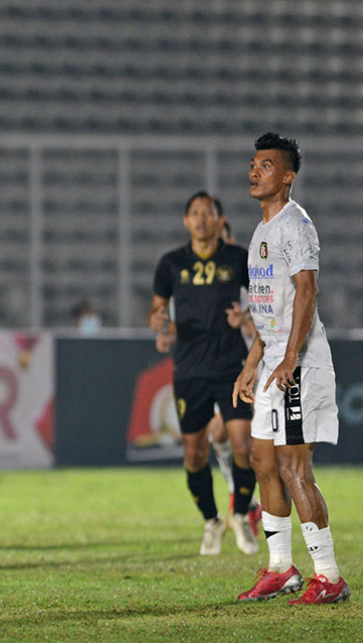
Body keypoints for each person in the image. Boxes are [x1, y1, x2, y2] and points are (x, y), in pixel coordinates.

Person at [234, 133, 350, 604]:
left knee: (294, 467)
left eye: (267, 164)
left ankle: (330, 576)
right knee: (262, 461)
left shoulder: (295, 225)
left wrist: (288, 357)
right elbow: (269, 310)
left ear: (288, 176)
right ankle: (281, 568)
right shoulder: (261, 232)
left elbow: (307, 292)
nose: (255, 170)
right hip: (274, 362)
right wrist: (252, 361)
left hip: (298, 363)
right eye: (254, 163)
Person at [149, 190, 258, 556]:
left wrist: (246, 317)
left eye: (207, 213)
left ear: (218, 220)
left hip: (231, 367)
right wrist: (161, 325)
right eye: (194, 213)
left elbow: (264, 301)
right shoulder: (170, 264)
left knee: (244, 445)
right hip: (190, 370)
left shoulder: (238, 259)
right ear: (186, 220)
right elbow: (156, 312)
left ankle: (240, 515)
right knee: (194, 454)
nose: (201, 219)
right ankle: (212, 521)